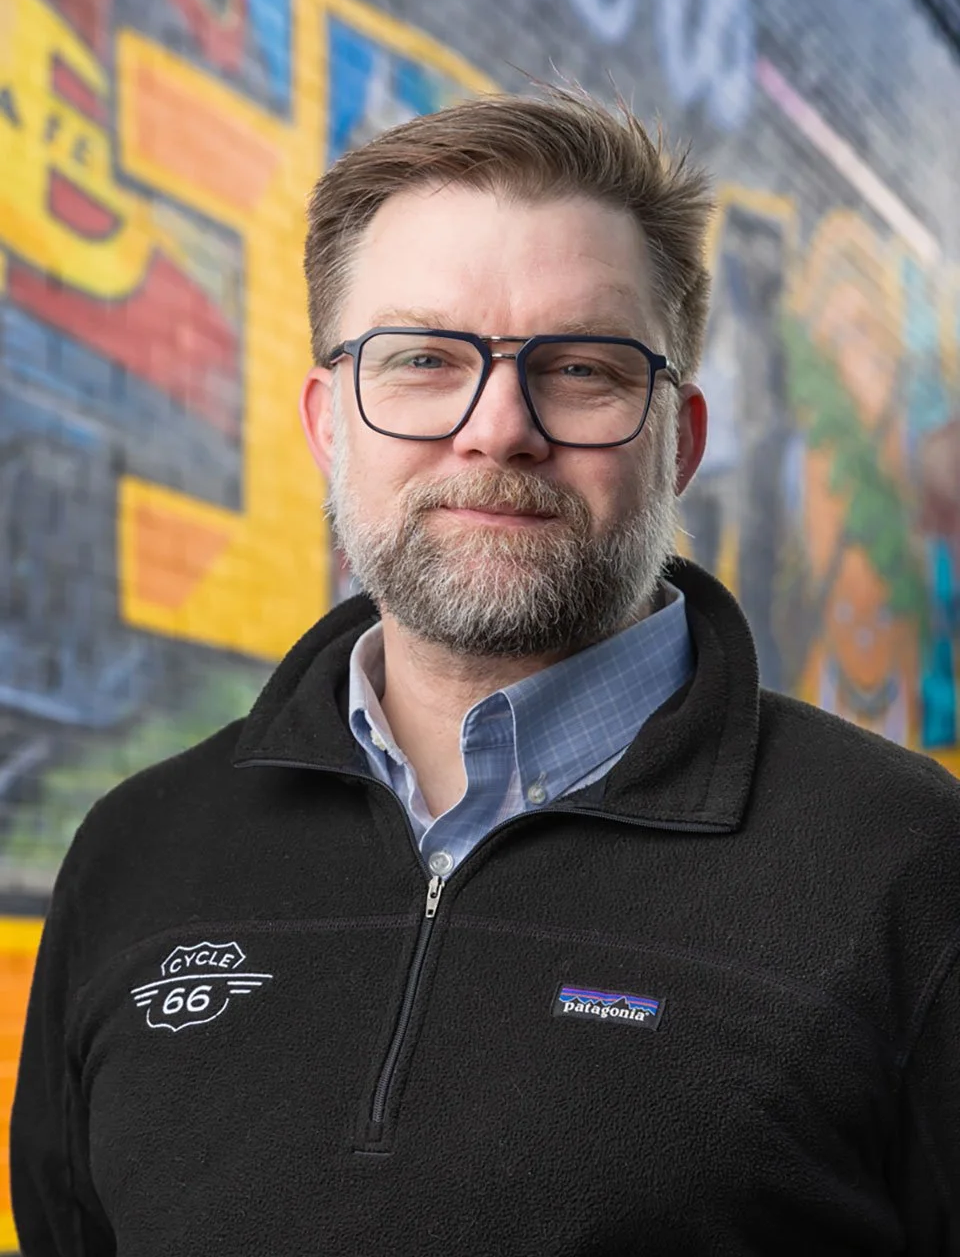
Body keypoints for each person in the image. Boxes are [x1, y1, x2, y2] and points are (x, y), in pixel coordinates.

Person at [11, 89, 960, 1257]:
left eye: (583, 369)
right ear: (329, 424)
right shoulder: (138, 849)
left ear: (682, 439)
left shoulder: (912, 866)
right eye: (420, 358)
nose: (497, 426)